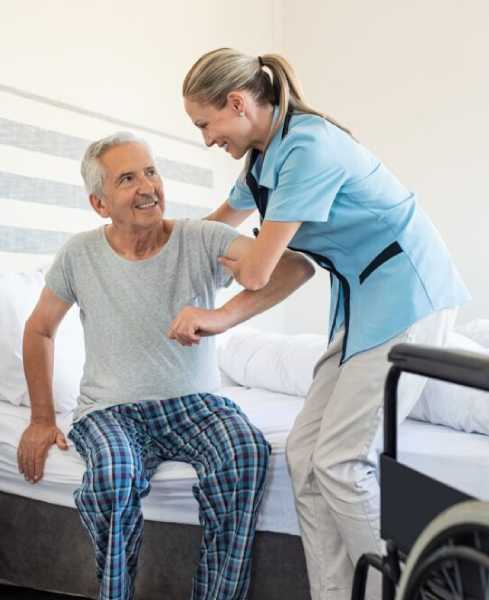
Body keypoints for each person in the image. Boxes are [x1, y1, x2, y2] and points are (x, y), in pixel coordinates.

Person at [181, 48, 471, 600]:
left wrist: (219, 304)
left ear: (237, 103)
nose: (206, 139)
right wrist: (158, 246)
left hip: (409, 296)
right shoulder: (262, 160)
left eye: (204, 124)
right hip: (364, 305)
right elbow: (215, 228)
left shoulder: (308, 148)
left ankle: (412, 590)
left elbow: (261, 270)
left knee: (340, 461)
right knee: (304, 457)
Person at [16, 132, 315, 600]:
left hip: (195, 406)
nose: (148, 187)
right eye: (127, 179)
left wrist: (222, 316)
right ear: (99, 203)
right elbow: (39, 330)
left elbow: (295, 268)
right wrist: (40, 418)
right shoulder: (79, 254)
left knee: (245, 452)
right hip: (110, 411)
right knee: (113, 475)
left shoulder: (202, 238)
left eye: (151, 172)